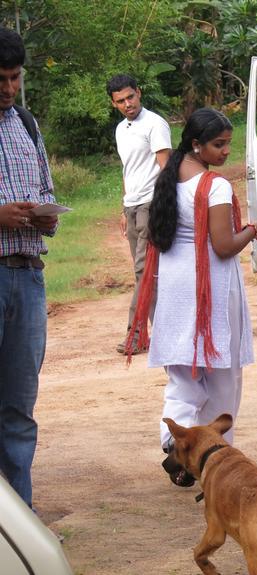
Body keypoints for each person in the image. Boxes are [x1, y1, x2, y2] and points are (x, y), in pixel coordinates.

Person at [127, 108, 257, 488]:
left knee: (182, 383)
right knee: (222, 381)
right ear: (196, 144)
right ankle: (214, 462)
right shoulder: (213, 186)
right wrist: (253, 229)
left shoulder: (167, 179)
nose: (225, 152)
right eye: (219, 145)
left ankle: (177, 450)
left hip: (173, 290)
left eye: (228, 144)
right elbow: (223, 246)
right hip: (209, 293)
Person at [0, 27, 59, 508]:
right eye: (0, 78)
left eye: (15, 78)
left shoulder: (27, 124)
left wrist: (44, 212)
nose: (8, 88)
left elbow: (47, 191)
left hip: (27, 275)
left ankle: (20, 521)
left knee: (19, 409)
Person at [107, 74, 172, 355]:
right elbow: (127, 170)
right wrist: (124, 207)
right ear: (114, 103)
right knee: (148, 275)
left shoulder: (155, 124)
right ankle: (163, 335)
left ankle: (136, 335)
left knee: (144, 273)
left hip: (151, 205)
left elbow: (166, 169)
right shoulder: (121, 130)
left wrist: (160, 208)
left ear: (139, 93)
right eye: (120, 100)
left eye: (130, 97)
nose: (127, 103)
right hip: (132, 206)